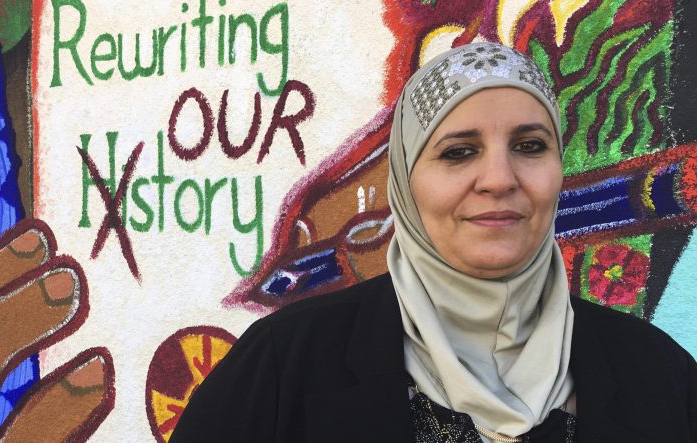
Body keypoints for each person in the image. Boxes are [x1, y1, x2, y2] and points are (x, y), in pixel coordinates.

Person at [170, 42, 697, 442]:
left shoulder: (659, 375)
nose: (499, 179)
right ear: (405, 180)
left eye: (530, 146)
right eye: (458, 152)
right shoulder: (285, 368)